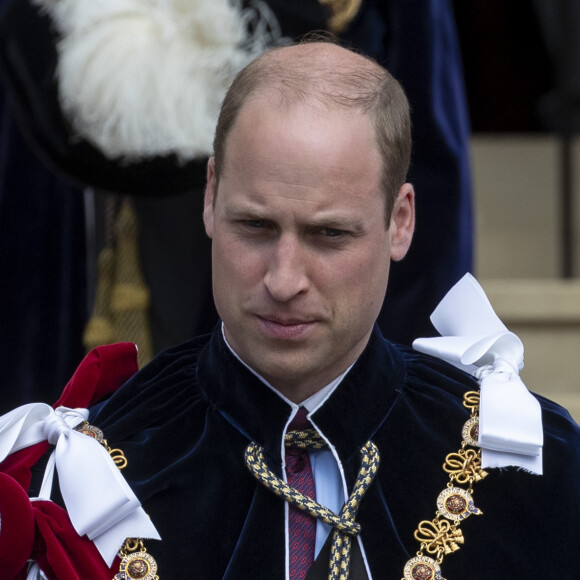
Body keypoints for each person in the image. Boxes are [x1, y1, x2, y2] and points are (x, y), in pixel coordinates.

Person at [2, 41, 579, 580]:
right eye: (254, 226)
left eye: (328, 234)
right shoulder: (75, 481)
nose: (283, 280)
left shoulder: (533, 471)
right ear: (210, 197)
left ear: (399, 220)